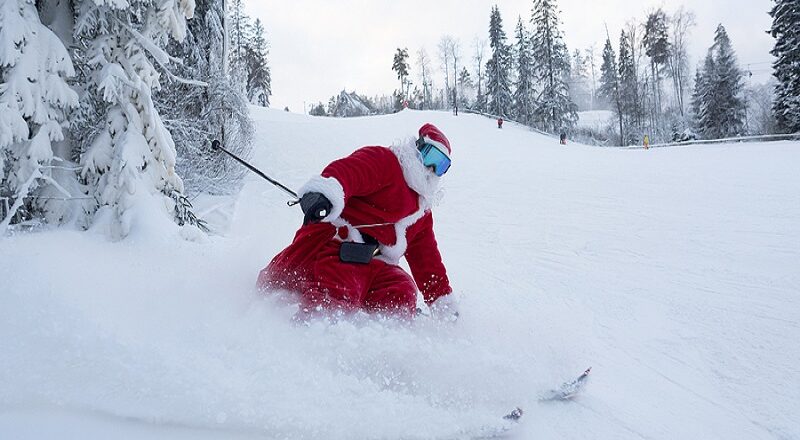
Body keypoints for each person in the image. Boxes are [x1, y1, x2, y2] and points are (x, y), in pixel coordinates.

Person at [257, 123, 456, 321]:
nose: (432, 168)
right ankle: (314, 333)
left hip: (376, 263)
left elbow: (427, 259)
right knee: (342, 283)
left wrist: (441, 299)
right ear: (417, 147)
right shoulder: (387, 162)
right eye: (432, 156)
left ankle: (385, 338)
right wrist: (325, 192)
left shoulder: (422, 212)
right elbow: (350, 172)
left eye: (442, 166)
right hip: (339, 248)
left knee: (402, 290)